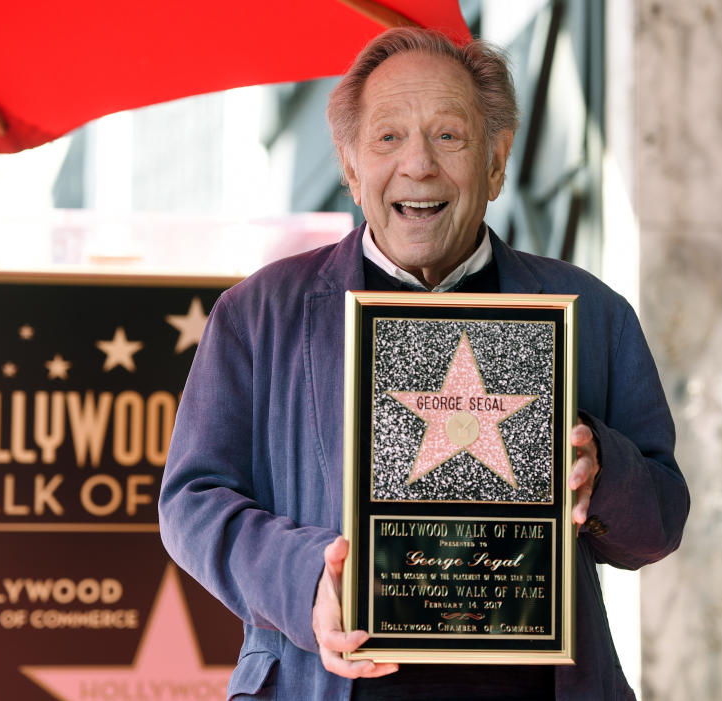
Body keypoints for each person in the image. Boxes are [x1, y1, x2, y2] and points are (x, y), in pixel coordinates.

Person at [159, 27, 689, 700]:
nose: (418, 165)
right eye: (387, 139)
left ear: (497, 162)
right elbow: (191, 501)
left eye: (449, 136)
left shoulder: (593, 311)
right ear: (350, 168)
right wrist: (305, 580)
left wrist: (603, 472)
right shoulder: (257, 313)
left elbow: (662, 519)